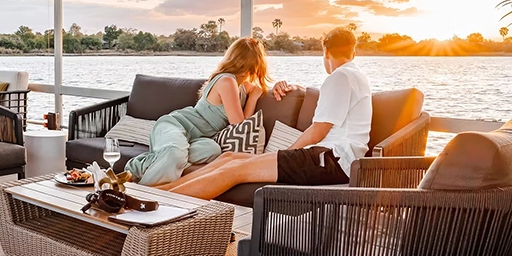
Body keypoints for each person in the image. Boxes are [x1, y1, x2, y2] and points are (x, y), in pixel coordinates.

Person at [155, 27, 372, 199]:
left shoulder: (339, 78)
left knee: (234, 171)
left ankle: (162, 203)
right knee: (228, 157)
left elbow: (318, 131)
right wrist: (290, 85)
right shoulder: (354, 77)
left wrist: (285, 153)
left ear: (326, 53)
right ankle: (159, 192)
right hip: (331, 160)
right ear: (353, 52)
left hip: (330, 160)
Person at [124, 37, 288, 186]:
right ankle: (143, 192)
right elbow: (238, 123)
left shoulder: (242, 85)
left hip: (197, 138)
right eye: (245, 65)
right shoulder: (227, 80)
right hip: (176, 125)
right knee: (175, 154)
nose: (246, 71)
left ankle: (144, 165)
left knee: (213, 150)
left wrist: (281, 86)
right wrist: (253, 98)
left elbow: (265, 90)